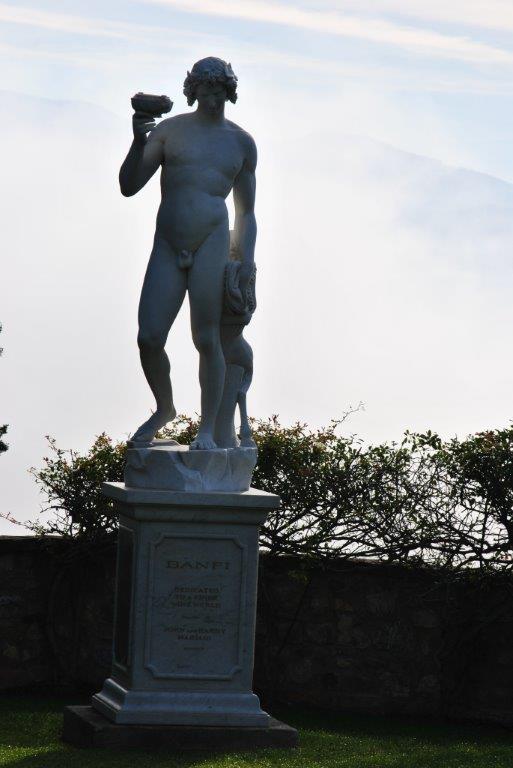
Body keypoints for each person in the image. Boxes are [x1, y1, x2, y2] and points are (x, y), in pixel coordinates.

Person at [119, 57, 257, 449]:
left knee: (207, 337)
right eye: (205, 92)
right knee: (149, 337)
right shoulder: (170, 131)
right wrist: (138, 141)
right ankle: (165, 408)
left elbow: (246, 212)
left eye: (219, 93)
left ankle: (207, 431)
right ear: (193, 91)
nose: (212, 100)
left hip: (211, 241)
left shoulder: (240, 142)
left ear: (229, 92)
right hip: (168, 242)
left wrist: (246, 261)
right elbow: (129, 185)